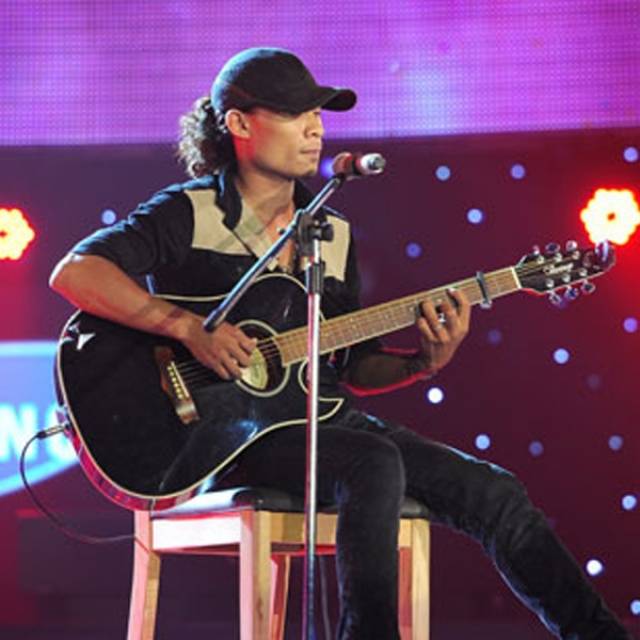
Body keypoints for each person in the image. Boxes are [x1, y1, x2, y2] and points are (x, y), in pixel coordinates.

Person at [50, 47, 631, 639]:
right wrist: (187, 328)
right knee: (371, 461)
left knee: (494, 491)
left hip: (320, 425)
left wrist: (424, 361)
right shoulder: (188, 212)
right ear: (240, 124)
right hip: (218, 440)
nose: (316, 128)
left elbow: (350, 367)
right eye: (294, 113)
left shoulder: (331, 235)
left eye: (318, 114)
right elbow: (74, 273)